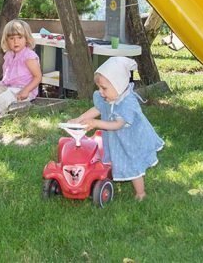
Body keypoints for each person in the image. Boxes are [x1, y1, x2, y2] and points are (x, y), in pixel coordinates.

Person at [70, 57, 163, 201]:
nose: (100, 92)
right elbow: (97, 108)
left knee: (132, 163)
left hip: (131, 139)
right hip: (118, 137)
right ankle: (116, 174)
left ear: (118, 85)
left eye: (104, 88)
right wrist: (78, 119)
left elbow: (118, 125)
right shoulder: (107, 97)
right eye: (99, 88)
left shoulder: (127, 102)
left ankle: (140, 193)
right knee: (117, 156)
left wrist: (96, 123)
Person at [0, 19, 42, 119]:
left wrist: (26, 90)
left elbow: (38, 77)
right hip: (8, 86)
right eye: (11, 38)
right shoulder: (9, 54)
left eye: (20, 37)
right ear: (6, 40)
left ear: (26, 39)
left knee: (3, 98)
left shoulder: (29, 56)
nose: (16, 41)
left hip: (23, 89)